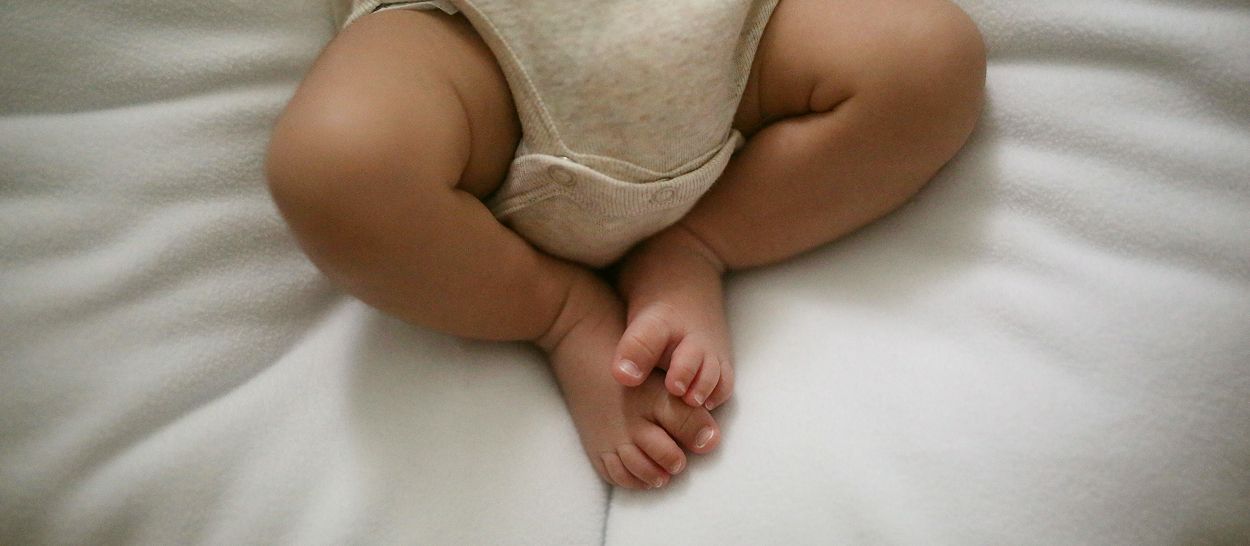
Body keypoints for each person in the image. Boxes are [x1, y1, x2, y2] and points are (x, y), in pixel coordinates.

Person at [266, 0, 985, 490]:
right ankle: (561, 312)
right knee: (336, 166)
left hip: (730, 34)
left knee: (930, 55)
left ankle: (696, 244)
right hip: (474, 42)